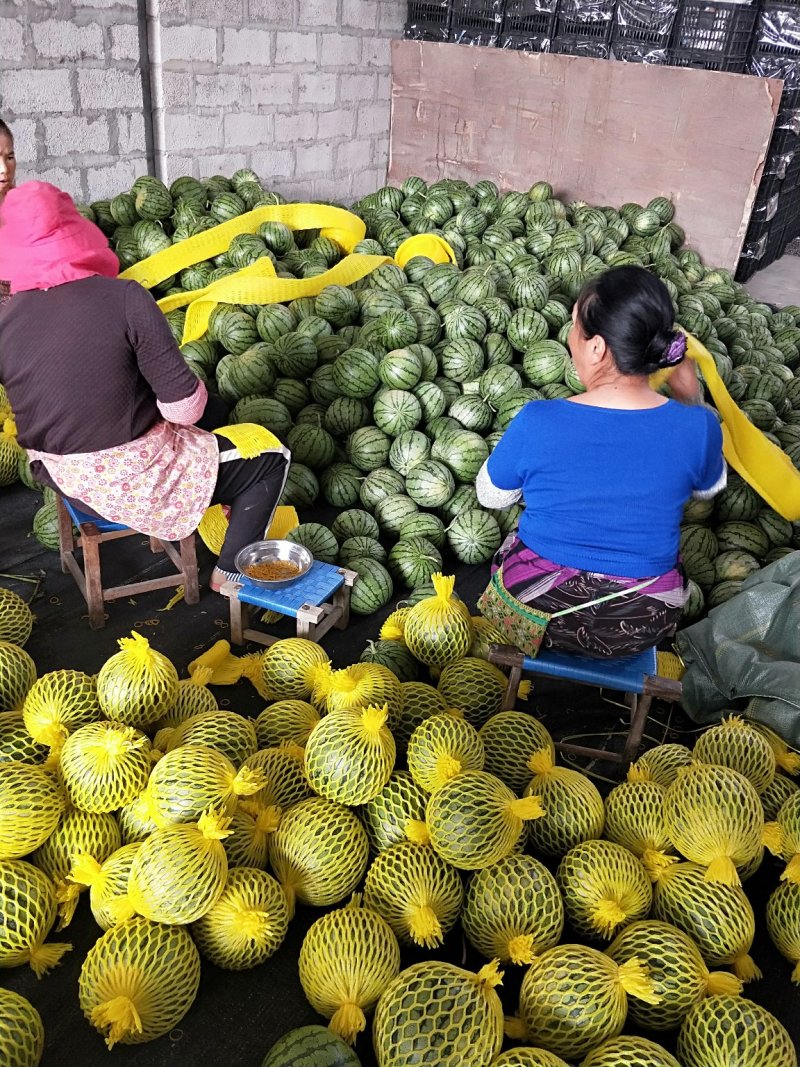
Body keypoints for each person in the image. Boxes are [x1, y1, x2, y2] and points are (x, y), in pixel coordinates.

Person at [0, 181, 290, 593]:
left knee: (218, 413)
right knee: (269, 458)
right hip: (133, 481)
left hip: (61, 478)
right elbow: (184, 411)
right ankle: (230, 575)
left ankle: (209, 485)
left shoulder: (6, 318)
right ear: (76, 231)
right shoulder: (125, 298)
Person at [476, 264, 725, 659]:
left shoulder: (538, 419)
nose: (570, 338)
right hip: (644, 623)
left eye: (574, 326)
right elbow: (708, 488)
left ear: (596, 347)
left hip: (536, 613)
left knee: (516, 535)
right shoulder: (700, 425)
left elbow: (491, 496)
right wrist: (691, 400)